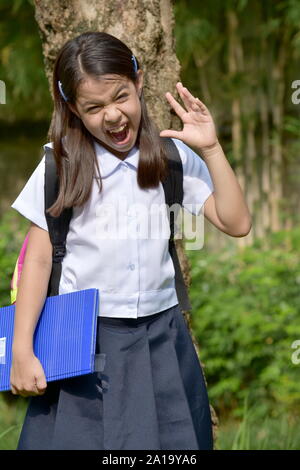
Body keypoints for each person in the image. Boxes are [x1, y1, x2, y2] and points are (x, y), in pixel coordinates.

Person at [10, 31, 251, 451]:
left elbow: (236, 222)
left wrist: (211, 149)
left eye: (121, 96)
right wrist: (22, 348)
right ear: (72, 108)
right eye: (94, 107)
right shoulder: (59, 165)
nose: (113, 116)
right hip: (83, 342)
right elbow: (37, 260)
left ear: (138, 81)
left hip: (162, 337)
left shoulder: (172, 157)